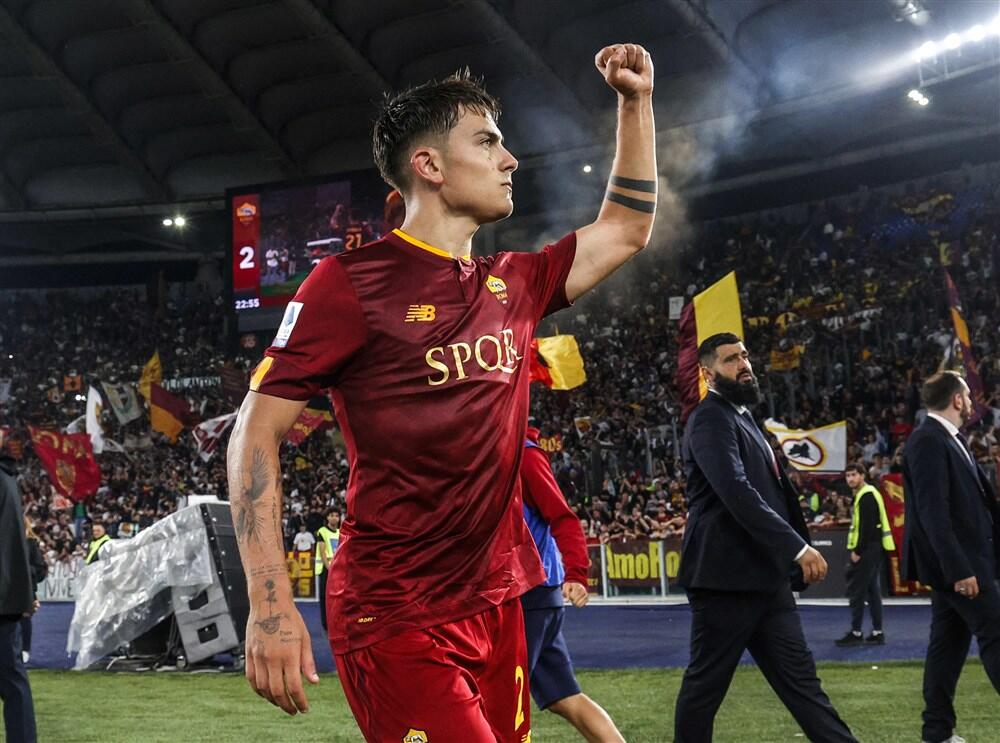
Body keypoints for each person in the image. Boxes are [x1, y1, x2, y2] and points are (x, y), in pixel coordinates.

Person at [227, 42, 658, 740]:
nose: (509, 159)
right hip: (395, 611)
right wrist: (270, 599)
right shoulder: (349, 284)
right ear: (428, 165)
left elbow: (627, 229)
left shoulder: (517, 282)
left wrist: (635, 104)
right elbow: (256, 428)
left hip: (499, 601)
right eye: (486, 141)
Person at [674, 333, 856, 743]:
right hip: (725, 580)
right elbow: (736, 491)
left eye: (744, 356)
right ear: (707, 373)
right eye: (730, 359)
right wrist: (797, 547)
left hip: (764, 577)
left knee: (804, 688)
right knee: (705, 689)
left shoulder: (740, 417)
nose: (744, 364)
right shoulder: (710, 418)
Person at [902, 371, 1000, 743]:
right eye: (968, 396)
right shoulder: (928, 440)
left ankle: (937, 731)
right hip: (961, 566)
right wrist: (959, 568)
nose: (972, 402)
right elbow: (934, 513)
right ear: (957, 399)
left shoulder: (947, 438)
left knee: (947, 648)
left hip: (963, 563)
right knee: (995, 632)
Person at [520, 427, 624, 742]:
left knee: (498, 696)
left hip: (528, 593)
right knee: (565, 697)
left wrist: (577, 574)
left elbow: (563, 517)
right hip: (537, 593)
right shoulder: (502, 449)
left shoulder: (522, 454)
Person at [835, 463, 894, 646]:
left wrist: (858, 551)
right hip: (874, 548)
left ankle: (856, 632)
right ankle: (877, 632)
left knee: (858, 592)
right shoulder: (869, 493)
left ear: (862, 475)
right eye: (848, 476)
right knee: (872, 592)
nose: (850, 479)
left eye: (853, 475)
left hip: (866, 550)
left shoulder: (866, 495)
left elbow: (867, 526)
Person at [0, 454, 37, 743]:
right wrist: (23, 593)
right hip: (6, 600)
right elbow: (15, 543)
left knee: (12, 680)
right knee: (13, 680)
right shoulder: (7, 479)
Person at [18, 518, 47, 665]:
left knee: (24, 618)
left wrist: (27, 571)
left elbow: (40, 569)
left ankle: (25, 649)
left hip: (26, 587)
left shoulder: (31, 543)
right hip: (7, 586)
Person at [314, 510, 341, 632]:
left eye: (336, 515)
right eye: (331, 515)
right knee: (325, 597)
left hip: (338, 569)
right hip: (326, 570)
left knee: (337, 598)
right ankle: (326, 624)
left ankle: (336, 621)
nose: (334, 518)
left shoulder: (340, 533)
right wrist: (329, 569)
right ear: (327, 518)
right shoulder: (322, 531)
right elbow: (323, 552)